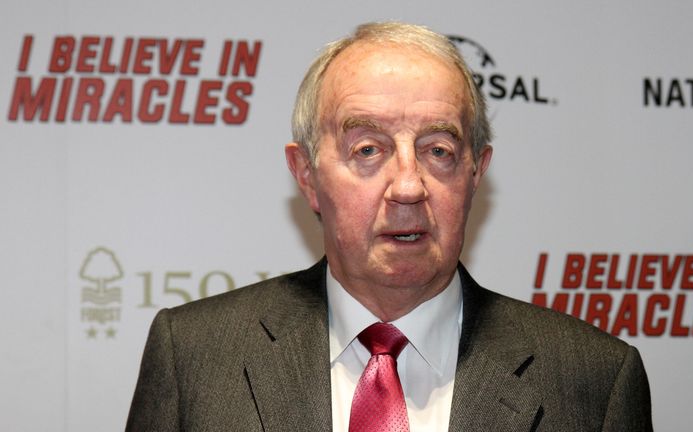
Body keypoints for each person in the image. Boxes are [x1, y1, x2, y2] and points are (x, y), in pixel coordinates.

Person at [126, 22, 652, 431]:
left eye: (438, 151)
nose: (408, 186)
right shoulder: (193, 355)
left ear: (476, 173)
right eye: (368, 150)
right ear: (307, 175)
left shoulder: (594, 379)